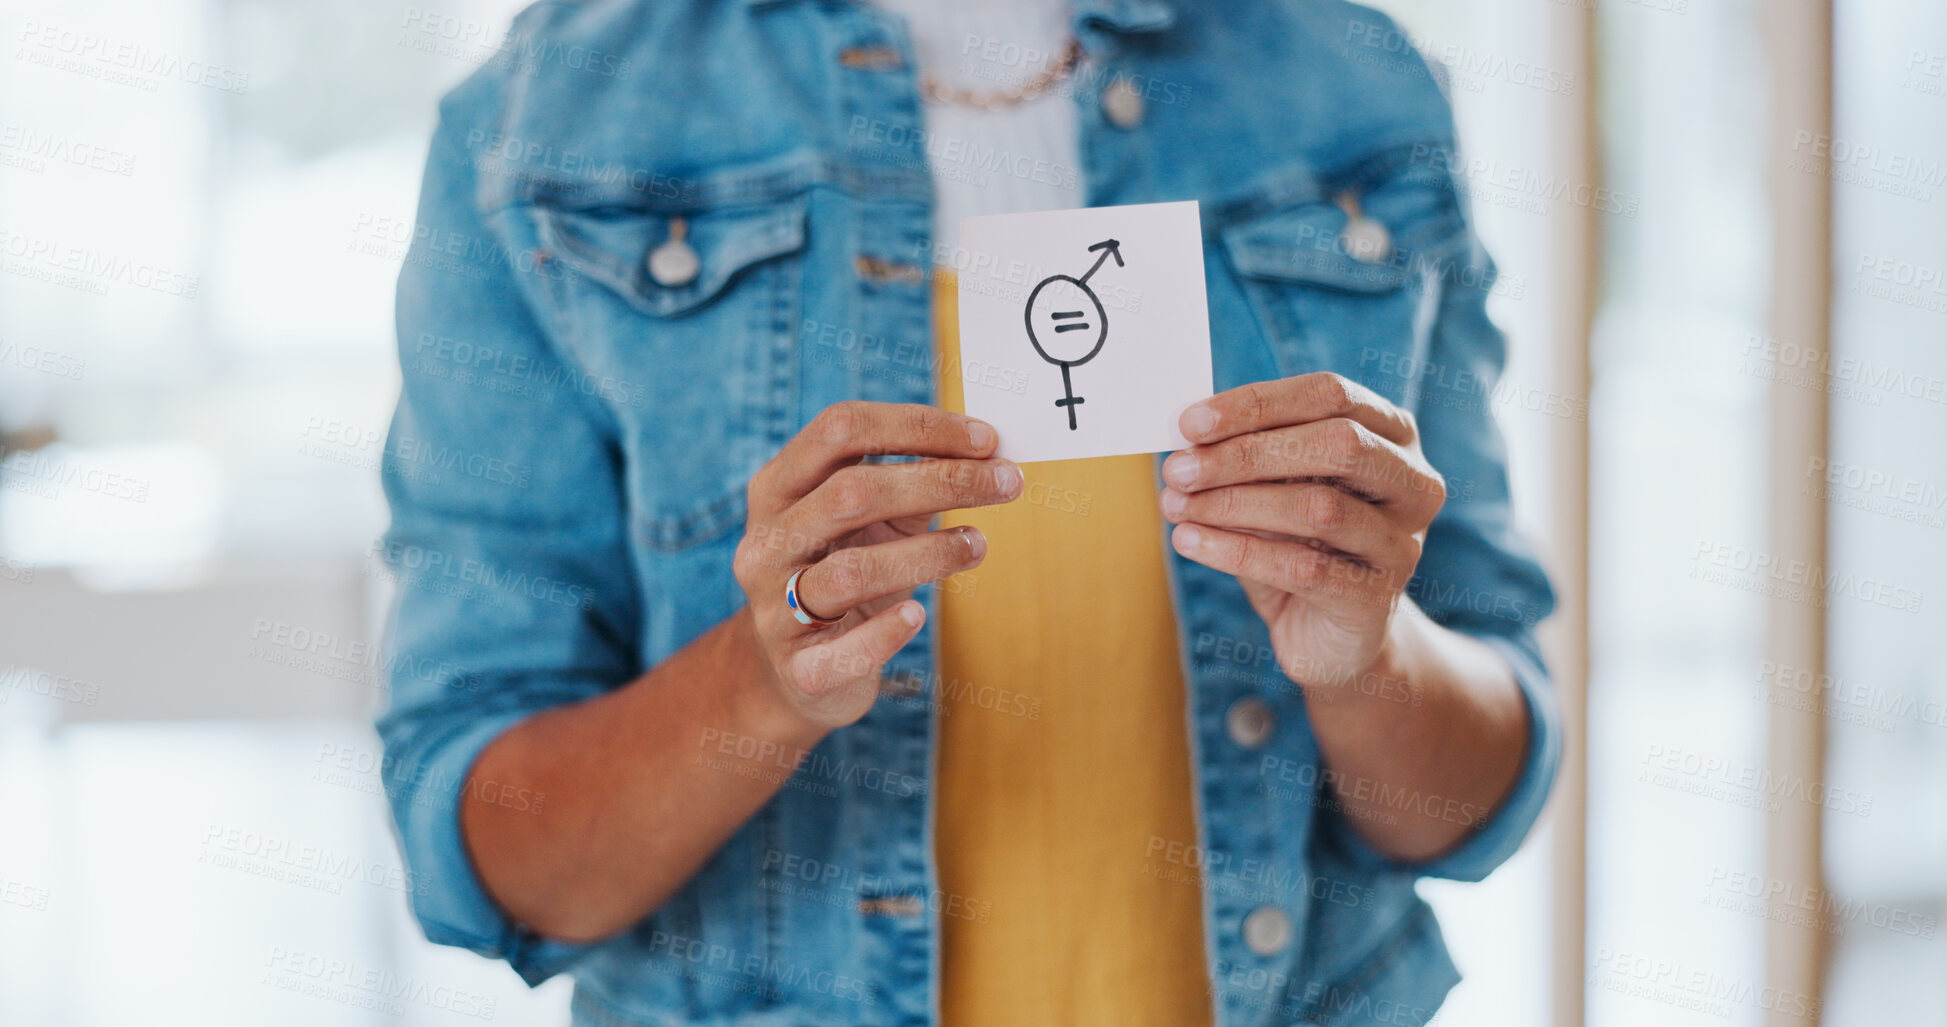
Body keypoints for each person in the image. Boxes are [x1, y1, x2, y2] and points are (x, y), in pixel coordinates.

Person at [376, 1, 1560, 1024]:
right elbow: (487, 850)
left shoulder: (1351, 77)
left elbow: (1481, 795)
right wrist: (760, 682)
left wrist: (1370, 659)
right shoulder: (538, 130)